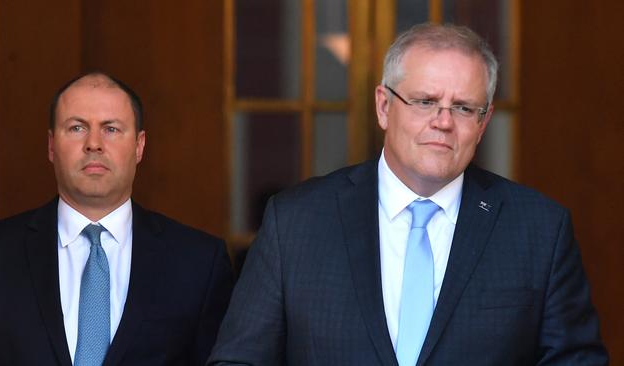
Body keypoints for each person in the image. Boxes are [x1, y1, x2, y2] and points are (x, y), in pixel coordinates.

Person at [207, 23, 608, 365]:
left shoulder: (539, 230)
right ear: (384, 107)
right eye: (425, 101)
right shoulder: (295, 223)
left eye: (465, 108)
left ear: (483, 124)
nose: (443, 122)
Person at [0, 72, 233, 366]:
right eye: (76, 128)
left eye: (110, 129)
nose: (93, 144)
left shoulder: (199, 263)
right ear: (50, 145)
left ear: (139, 146)